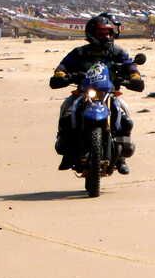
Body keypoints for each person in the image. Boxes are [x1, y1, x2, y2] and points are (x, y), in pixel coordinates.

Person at [49, 13, 144, 175]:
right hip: (83, 92)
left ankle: (121, 157)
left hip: (109, 93)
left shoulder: (117, 51)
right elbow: (62, 67)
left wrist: (134, 76)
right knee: (66, 110)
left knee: (125, 115)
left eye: (108, 33)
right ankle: (68, 152)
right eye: (102, 33)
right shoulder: (79, 52)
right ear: (92, 34)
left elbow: (130, 65)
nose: (106, 36)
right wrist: (62, 76)